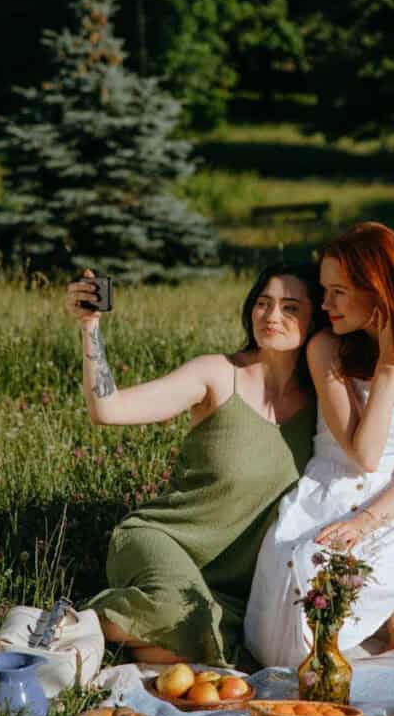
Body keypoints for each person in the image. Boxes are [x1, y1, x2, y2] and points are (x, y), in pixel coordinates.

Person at [65, 261, 324, 665]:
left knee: (248, 647)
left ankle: (124, 638)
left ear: (315, 320)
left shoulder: (324, 405)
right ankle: (65, 624)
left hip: (234, 585)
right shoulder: (217, 374)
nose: (273, 316)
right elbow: (108, 409)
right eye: (263, 303)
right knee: (186, 617)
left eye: (291, 307)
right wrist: (89, 328)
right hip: (163, 540)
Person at [244, 222, 394, 668]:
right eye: (324, 291)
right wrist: (386, 364)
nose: (325, 305)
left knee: (326, 624)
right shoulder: (325, 348)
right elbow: (362, 453)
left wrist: (367, 522)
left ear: (376, 289)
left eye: (338, 292)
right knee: (285, 637)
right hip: (328, 492)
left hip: (389, 506)